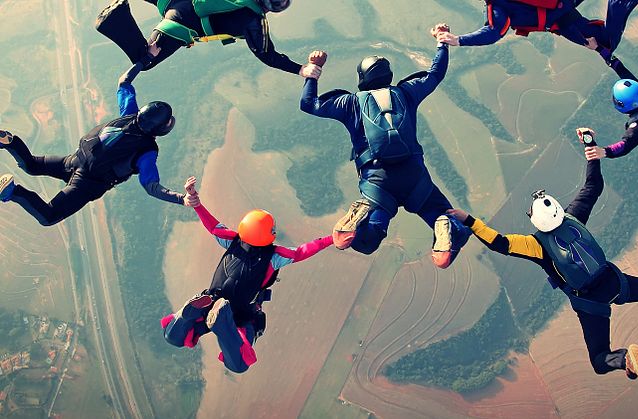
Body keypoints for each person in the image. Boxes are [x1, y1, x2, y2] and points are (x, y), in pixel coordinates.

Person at [448, 131, 638, 381]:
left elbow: (499, 243)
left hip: (590, 302)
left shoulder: (534, 244)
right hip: (614, 281)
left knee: (600, 360)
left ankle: (624, 358)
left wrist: (470, 221)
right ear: (559, 211)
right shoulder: (574, 217)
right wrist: (592, 150)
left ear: (534, 220)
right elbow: (593, 186)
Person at [298, 28, 471, 269]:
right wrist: (442, 44)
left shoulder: (350, 103)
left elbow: (309, 104)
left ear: (362, 78)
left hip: (377, 183)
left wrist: (313, 71)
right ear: (388, 74)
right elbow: (435, 74)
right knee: (451, 221)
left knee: (367, 242)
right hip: (414, 177)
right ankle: (441, 222)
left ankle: (360, 216)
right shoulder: (406, 92)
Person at [0, 44, 190, 226]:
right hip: (87, 183)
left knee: (32, 165)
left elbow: (123, 81)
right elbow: (152, 187)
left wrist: (146, 58)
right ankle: (13, 192)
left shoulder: (130, 113)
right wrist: (182, 199)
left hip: (74, 160)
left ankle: (9, 142)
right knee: (48, 216)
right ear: (160, 129)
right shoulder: (147, 151)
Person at [161, 177, 334, 373]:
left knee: (172, 336)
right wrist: (331, 239)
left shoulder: (232, 240)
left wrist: (197, 204)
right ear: (270, 234)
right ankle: (223, 323)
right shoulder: (273, 256)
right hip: (241, 315)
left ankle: (186, 316)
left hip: (210, 301)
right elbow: (302, 252)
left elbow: (212, 225)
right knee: (239, 363)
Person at [95, 0, 321, 79]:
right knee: (145, 60)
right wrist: (300, 69)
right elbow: (267, 55)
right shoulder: (254, 20)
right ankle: (116, 20)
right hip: (182, 23)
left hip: (178, 0)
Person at [432, 0, 638, 67]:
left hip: (560, 17)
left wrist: (459, 40)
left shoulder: (496, 6)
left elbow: (494, 32)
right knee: (602, 43)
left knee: (605, 43)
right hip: (561, 11)